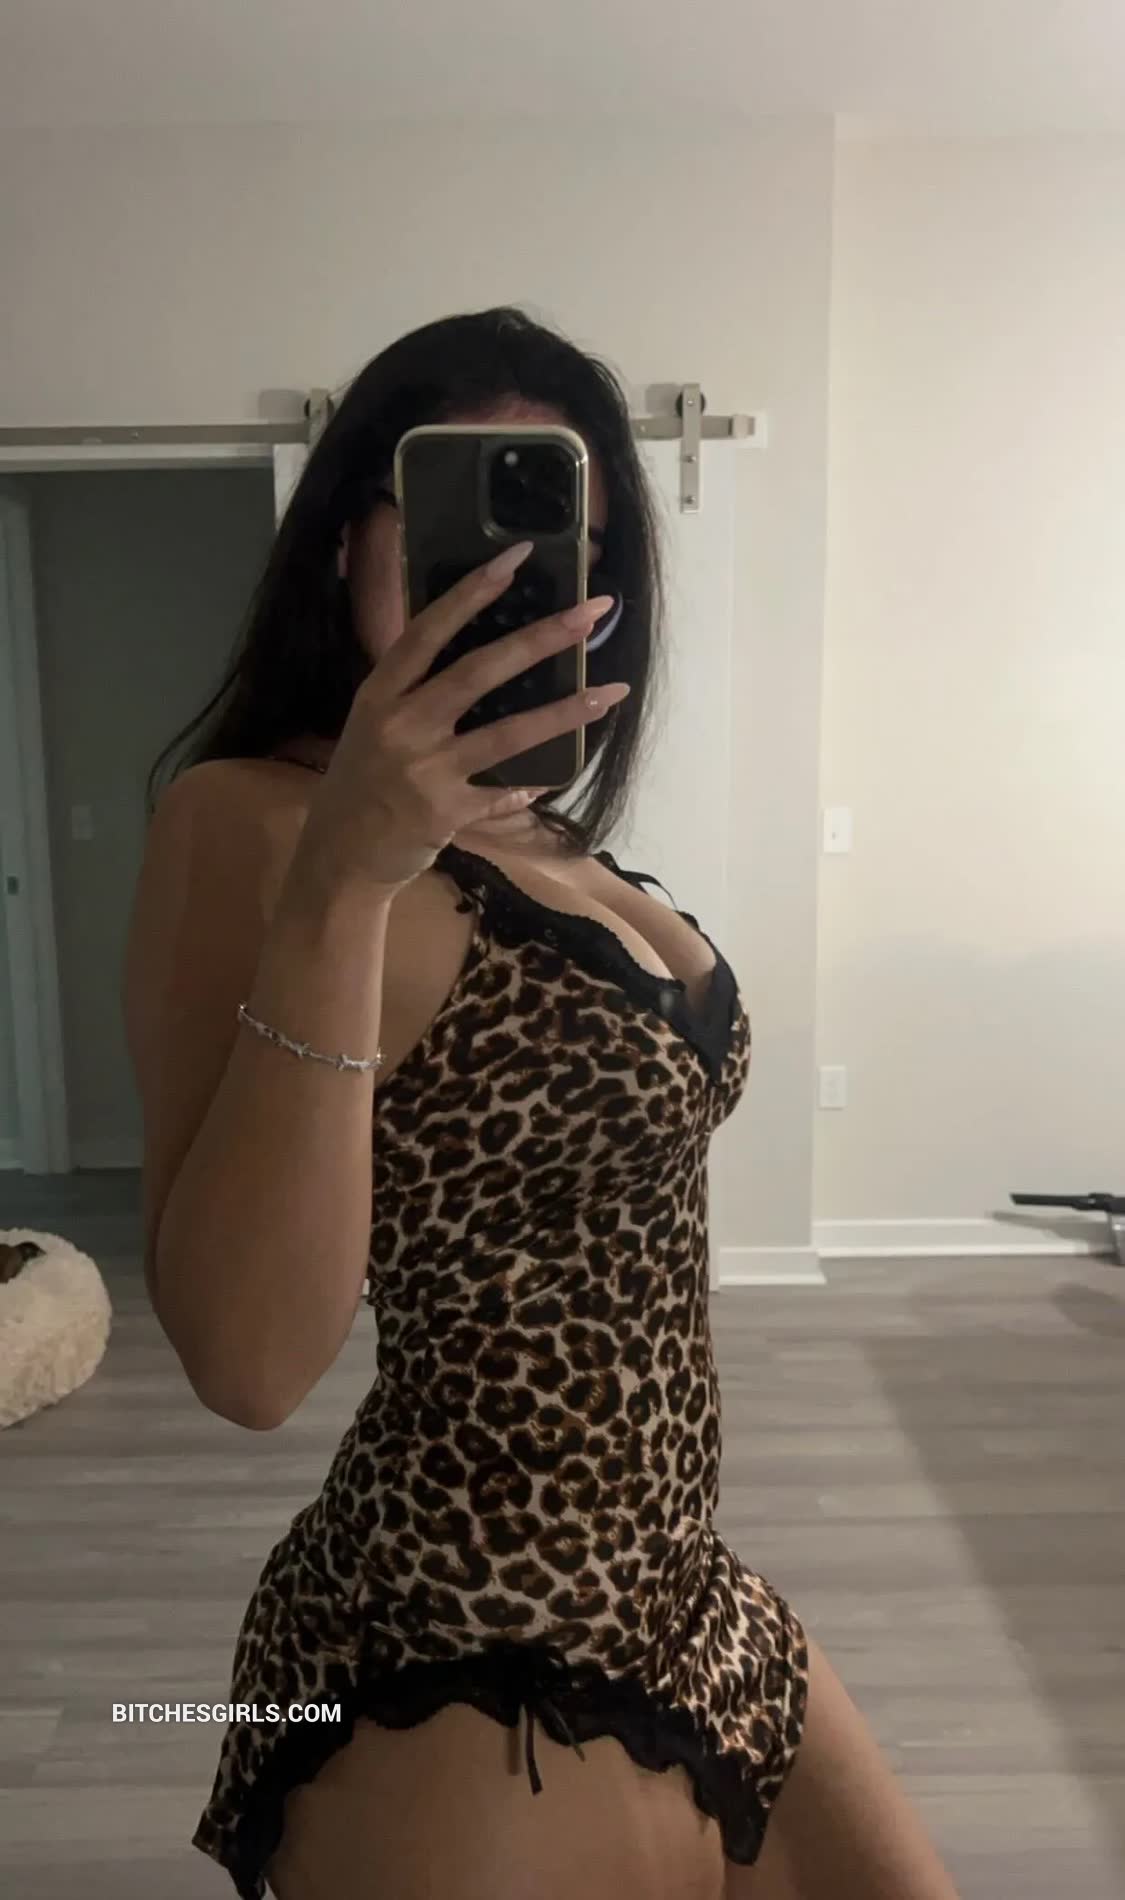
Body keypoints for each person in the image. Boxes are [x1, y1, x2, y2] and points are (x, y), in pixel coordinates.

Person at [123, 307, 960, 1900]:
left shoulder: (544, 833)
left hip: (687, 1591)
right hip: (462, 1643)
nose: (509, 571)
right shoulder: (251, 824)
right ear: (347, 543)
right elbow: (246, 1363)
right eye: (457, 521)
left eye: (557, 533)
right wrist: (346, 878)